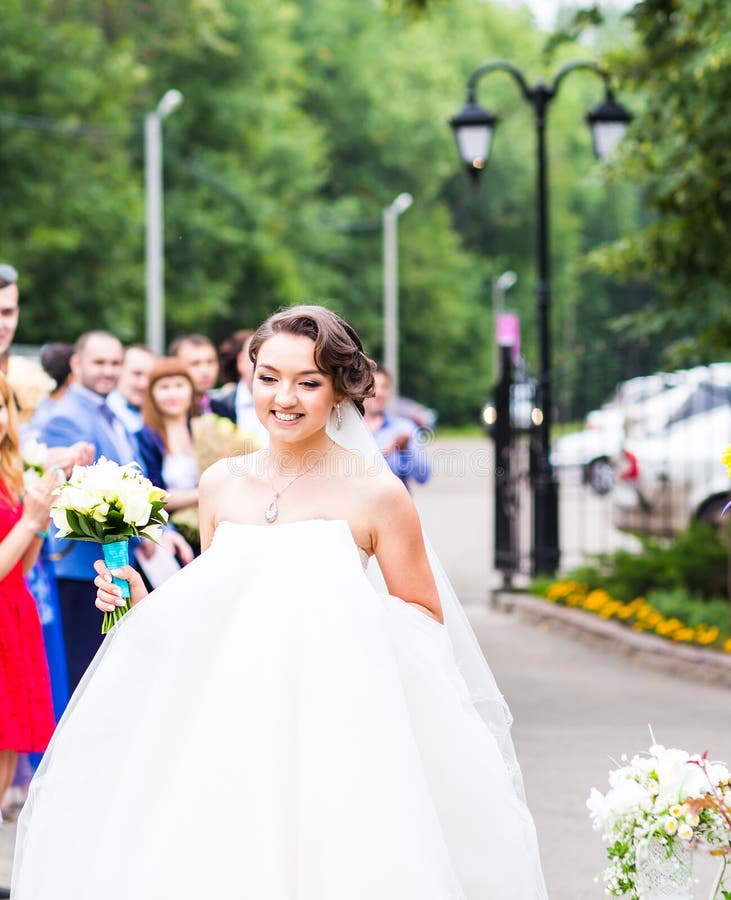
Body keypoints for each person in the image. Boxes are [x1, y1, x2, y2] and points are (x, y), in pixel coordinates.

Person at [13, 306, 547, 899]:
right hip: (228, 724)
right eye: (268, 378)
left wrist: (332, 627)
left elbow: (425, 619)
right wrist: (144, 604)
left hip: (335, 726)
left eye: (307, 382)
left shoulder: (377, 493)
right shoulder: (221, 484)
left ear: (339, 389)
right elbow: (214, 613)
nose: (284, 398)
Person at [0, 372, 59, 824]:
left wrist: (39, 519)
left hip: (13, 613)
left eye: (1, 404)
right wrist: (28, 522)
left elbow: (19, 566)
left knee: (8, 740)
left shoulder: (10, 473)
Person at [137, 358, 199, 515]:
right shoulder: (145, 438)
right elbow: (152, 495)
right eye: (164, 387)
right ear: (152, 393)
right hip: (168, 524)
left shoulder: (204, 429)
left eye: (179, 385)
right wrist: (201, 494)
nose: (173, 394)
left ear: (191, 389)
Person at [363, 364, 430, 490]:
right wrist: (386, 451)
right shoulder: (347, 430)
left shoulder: (405, 428)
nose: (379, 393)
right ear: (360, 390)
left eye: (384, 387)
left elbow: (423, 477)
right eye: (373, 386)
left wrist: (405, 451)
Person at [211, 328, 269, 445]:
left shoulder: (287, 404)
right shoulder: (217, 407)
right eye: (254, 358)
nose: (263, 366)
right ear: (241, 362)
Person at [107, 344, 157, 434]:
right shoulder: (105, 413)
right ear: (119, 371)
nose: (144, 384)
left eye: (150, 376)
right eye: (137, 374)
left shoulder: (154, 413)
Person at [168, 333, 219, 414]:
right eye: (195, 363)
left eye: (210, 362)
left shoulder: (225, 410)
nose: (205, 370)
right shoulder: (167, 415)